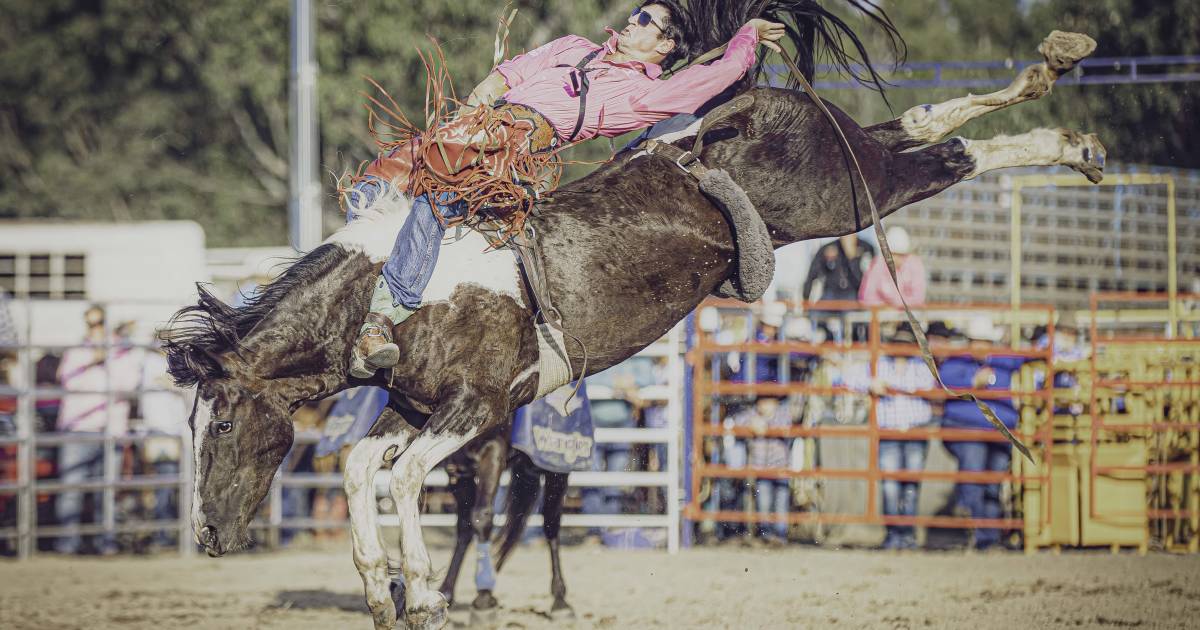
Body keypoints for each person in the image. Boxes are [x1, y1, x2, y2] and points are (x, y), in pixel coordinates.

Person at [348, 3, 787, 377]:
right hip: (473, 127)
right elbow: (508, 75)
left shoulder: (640, 94)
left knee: (435, 201)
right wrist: (464, 119)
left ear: (665, 45)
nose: (631, 20)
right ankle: (356, 284)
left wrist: (745, 38)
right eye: (635, 13)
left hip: (510, 154)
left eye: (644, 19)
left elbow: (715, 77)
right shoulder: (574, 47)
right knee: (371, 184)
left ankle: (382, 320)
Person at [55, 305, 141, 554]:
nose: (96, 329)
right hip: (79, 428)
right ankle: (68, 544)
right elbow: (69, 382)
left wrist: (106, 362)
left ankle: (106, 543)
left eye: (100, 322)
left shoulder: (123, 352)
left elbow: (129, 384)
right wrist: (94, 361)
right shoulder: (77, 351)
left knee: (108, 491)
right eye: (91, 324)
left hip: (112, 429)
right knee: (72, 488)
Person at [939, 317, 1025, 550]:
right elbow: (944, 383)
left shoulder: (1002, 360)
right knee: (975, 477)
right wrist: (971, 382)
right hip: (966, 428)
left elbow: (1030, 355)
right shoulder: (956, 363)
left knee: (992, 482)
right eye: (976, 341)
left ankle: (987, 536)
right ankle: (977, 532)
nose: (980, 347)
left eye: (985, 342)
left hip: (998, 430)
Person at [847, 323, 935, 549]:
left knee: (910, 486)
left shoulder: (920, 367)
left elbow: (927, 385)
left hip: (915, 430)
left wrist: (886, 385)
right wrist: (871, 384)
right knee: (890, 486)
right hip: (890, 433)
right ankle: (895, 534)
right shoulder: (879, 365)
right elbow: (848, 379)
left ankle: (906, 535)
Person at [858, 226, 926, 308]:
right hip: (882, 317)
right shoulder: (878, 264)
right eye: (894, 254)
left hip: (908, 316)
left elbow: (918, 297)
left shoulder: (914, 264)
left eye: (902, 255)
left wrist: (895, 304)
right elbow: (866, 297)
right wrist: (885, 307)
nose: (899, 259)